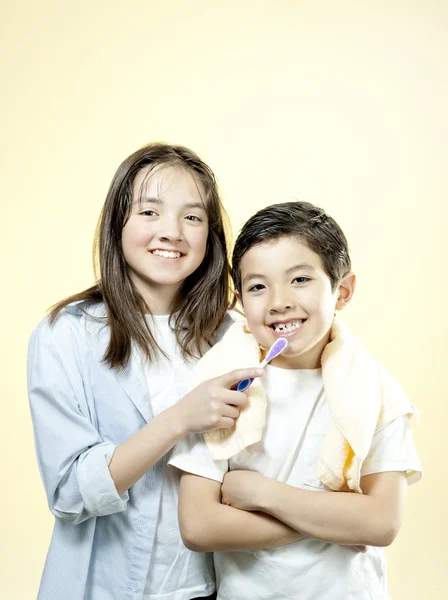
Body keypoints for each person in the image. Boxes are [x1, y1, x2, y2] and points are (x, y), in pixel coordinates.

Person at [27, 143, 264, 600]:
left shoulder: (234, 335)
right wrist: (180, 418)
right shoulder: (65, 335)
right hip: (104, 589)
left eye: (192, 218)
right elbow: (71, 493)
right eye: (150, 212)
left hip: (219, 586)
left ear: (210, 237)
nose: (172, 232)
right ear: (118, 223)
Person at [169, 201, 422, 600]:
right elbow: (199, 526)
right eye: (257, 286)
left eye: (300, 279)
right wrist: (335, 522)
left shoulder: (375, 390)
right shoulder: (219, 387)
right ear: (239, 300)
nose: (278, 301)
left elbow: (381, 523)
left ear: (343, 291)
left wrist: (260, 495)